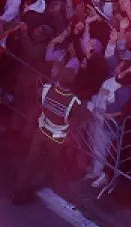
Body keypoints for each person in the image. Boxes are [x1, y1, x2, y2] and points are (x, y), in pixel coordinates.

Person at [13, 67, 81, 204]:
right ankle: (32, 190)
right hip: (57, 138)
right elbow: (75, 122)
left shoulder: (46, 89)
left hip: (42, 130)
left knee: (30, 162)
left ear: (59, 78)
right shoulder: (74, 102)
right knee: (47, 164)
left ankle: (19, 193)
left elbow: (38, 99)